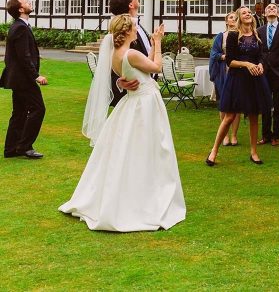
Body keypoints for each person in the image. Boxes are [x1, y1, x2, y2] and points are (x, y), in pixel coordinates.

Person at [59, 15, 185, 231]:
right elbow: (156, 67)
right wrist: (158, 42)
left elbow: (140, 67)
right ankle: (145, 198)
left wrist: (120, 80)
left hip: (134, 103)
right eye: (135, 27)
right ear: (127, 31)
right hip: (144, 104)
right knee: (150, 149)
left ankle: (134, 192)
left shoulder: (116, 54)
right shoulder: (131, 53)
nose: (137, 30)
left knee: (131, 151)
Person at [206, 7, 271, 166]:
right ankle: (214, 150)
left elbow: (262, 56)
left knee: (254, 117)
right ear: (239, 18)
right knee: (229, 117)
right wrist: (247, 64)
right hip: (237, 79)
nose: (248, 14)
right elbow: (230, 61)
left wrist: (261, 65)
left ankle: (254, 152)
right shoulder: (233, 36)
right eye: (244, 13)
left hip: (255, 79)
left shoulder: (258, 34)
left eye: (249, 12)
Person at [1, 0, 47, 160]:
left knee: (19, 112)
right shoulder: (20, 28)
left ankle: (11, 148)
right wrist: (36, 76)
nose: (29, 3)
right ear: (21, 9)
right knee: (38, 109)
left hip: (18, 78)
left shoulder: (20, 26)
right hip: (23, 79)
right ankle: (24, 146)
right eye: (26, 2)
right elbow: (24, 57)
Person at [108, 0, 152, 104]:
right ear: (131, 5)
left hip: (149, 92)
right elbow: (111, 62)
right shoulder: (121, 32)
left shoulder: (139, 26)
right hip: (134, 97)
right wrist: (119, 82)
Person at [258, 3, 279, 146]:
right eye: (268, 8)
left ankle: (276, 135)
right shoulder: (259, 30)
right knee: (265, 104)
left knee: (278, 105)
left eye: (274, 8)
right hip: (264, 72)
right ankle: (265, 135)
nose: (271, 9)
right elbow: (259, 52)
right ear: (265, 14)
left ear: (278, 13)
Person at [208, 12, 241, 146]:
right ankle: (225, 135)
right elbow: (214, 54)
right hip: (223, 73)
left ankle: (234, 135)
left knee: (237, 105)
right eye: (231, 18)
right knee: (224, 104)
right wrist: (225, 57)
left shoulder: (241, 36)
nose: (234, 19)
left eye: (235, 17)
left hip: (238, 73)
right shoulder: (221, 37)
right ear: (226, 21)